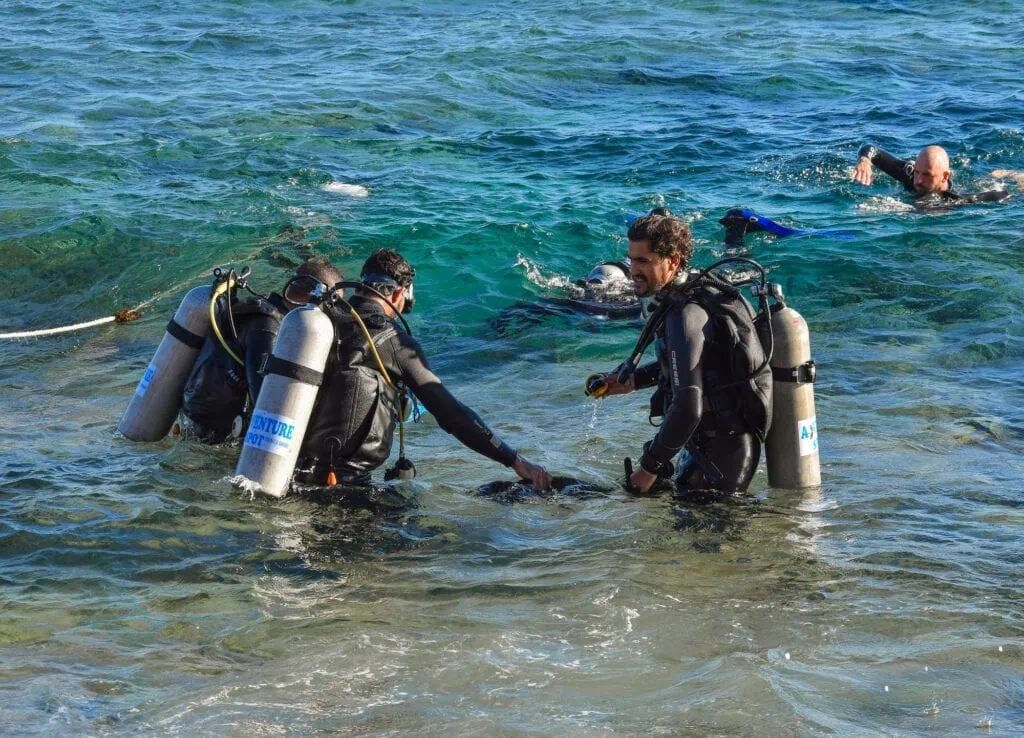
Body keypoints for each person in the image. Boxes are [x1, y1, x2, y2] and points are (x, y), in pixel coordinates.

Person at [295, 248, 552, 490]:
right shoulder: (391, 340)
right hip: (341, 486)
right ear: (399, 294)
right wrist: (514, 460)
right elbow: (453, 415)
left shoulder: (318, 322)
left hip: (289, 470)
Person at [590, 214, 769, 496]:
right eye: (631, 260)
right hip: (711, 448)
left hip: (722, 457)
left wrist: (648, 468)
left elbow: (688, 405)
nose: (633, 270)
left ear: (672, 261)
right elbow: (693, 367)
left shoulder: (686, 314)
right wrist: (632, 381)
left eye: (643, 261)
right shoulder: (691, 292)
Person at [179, 257, 343, 443]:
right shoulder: (267, 326)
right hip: (214, 436)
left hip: (198, 422)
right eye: (333, 304)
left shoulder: (264, 312)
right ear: (318, 297)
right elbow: (264, 402)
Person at [852, 143, 1011, 204]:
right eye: (918, 172)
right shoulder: (909, 174)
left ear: (945, 176)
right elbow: (871, 148)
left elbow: (1001, 195)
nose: (918, 180)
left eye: (927, 175)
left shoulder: (954, 199)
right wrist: (865, 161)